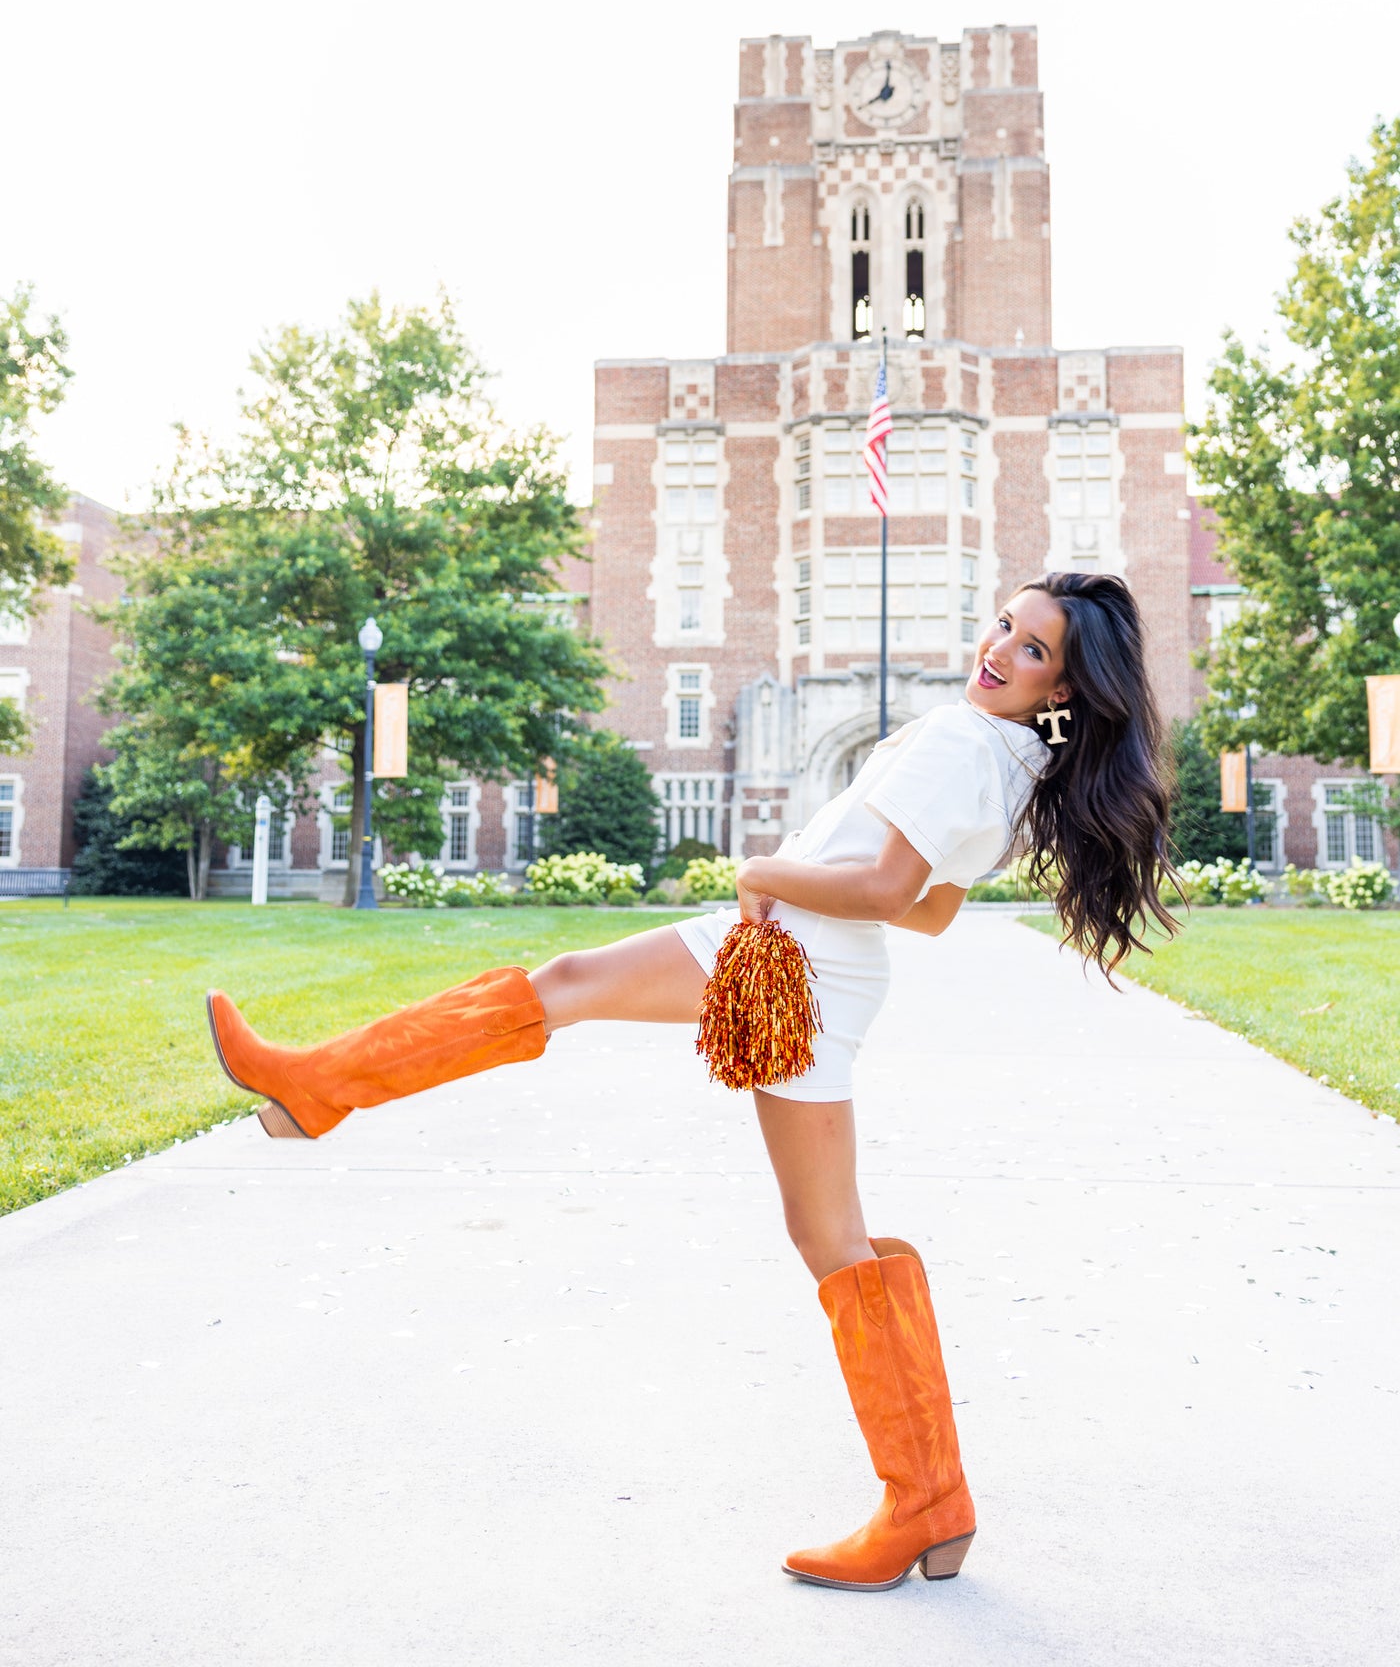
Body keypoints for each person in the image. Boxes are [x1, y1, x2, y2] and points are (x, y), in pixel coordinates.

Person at [206, 571, 1178, 1593]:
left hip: (791, 960)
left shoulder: (958, 742)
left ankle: (923, 1501)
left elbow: (891, 890)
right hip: (804, 959)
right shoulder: (1013, 763)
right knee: (576, 989)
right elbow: (929, 911)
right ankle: (319, 1083)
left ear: (1061, 689)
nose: (997, 648)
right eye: (1004, 625)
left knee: (828, 1239)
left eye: (1031, 650)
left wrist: (763, 872)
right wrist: (787, 886)